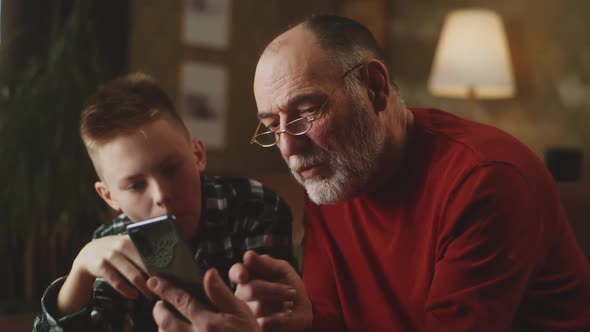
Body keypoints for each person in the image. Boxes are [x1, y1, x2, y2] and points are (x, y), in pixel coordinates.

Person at [236, 14, 590, 331]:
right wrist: (302, 320)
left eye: (307, 111)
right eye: (272, 126)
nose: (287, 146)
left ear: (374, 87)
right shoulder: (334, 177)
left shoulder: (486, 179)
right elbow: (333, 319)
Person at [33, 72, 296, 332]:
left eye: (171, 169)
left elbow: (277, 320)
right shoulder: (112, 245)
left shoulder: (256, 206)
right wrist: (80, 270)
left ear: (198, 155)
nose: (161, 196)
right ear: (109, 196)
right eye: (136, 185)